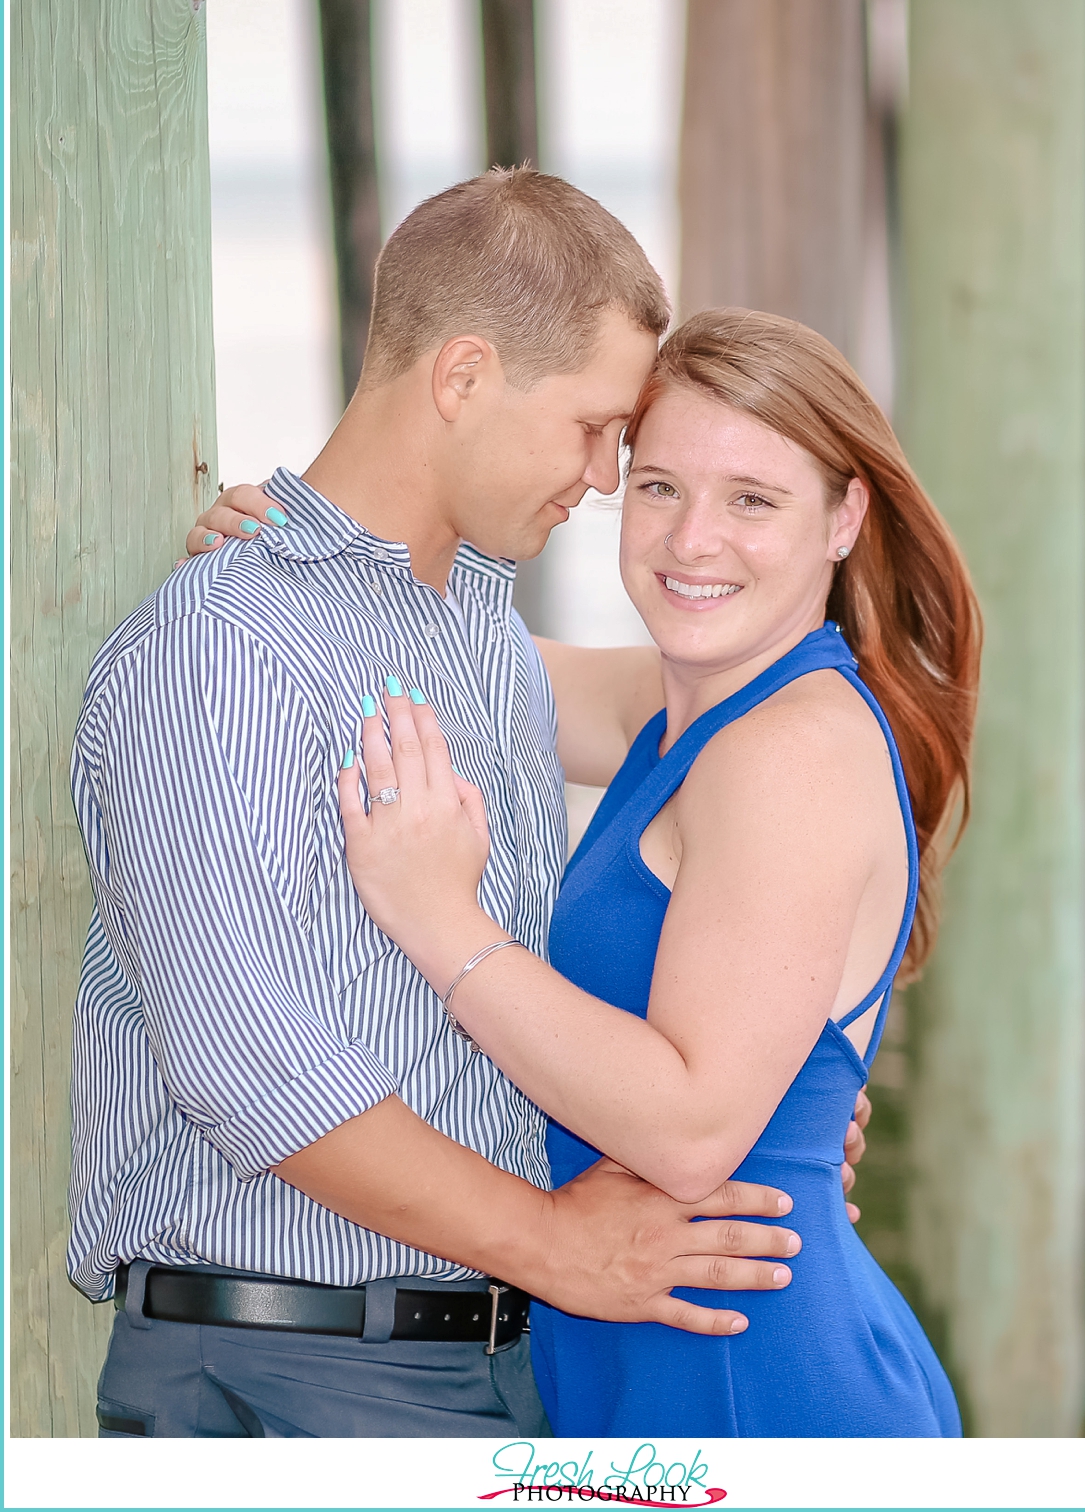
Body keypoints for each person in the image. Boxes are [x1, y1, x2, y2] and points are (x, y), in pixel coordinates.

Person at [70, 171, 866, 1441]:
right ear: (463, 378)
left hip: (500, 1363)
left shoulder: (481, 641)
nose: (612, 477)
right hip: (285, 1371)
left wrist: (787, 1105)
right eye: (598, 428)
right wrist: (557, 1241)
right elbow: (246, 1066)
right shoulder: (220, 651)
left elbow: (749, 749)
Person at [308, 306, 981, 1437]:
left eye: (752, 501)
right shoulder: (685, 706)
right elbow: (433, 670)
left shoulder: (787, 753)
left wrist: (440, 920)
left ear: (844, 517)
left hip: (741, 1374)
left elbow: (685, 1131)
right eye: (659, 486)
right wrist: (288, 553)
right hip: (654, 1340)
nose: (690, 541)